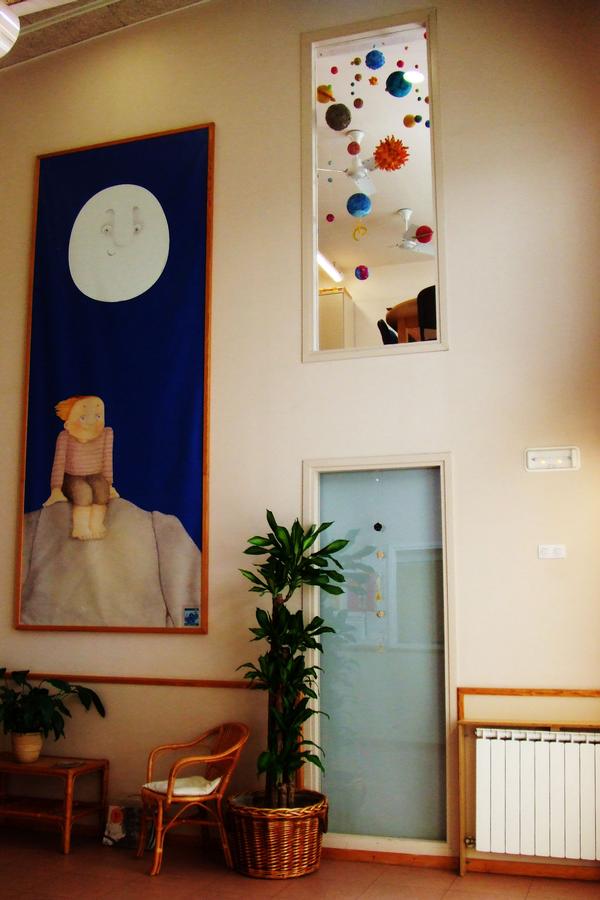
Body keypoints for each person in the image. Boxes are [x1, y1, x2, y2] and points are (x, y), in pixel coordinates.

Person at [43, 395, 119, 540]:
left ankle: (96, 524)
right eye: (83, 418)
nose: (91, 423)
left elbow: (107, 460)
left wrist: (109, 483)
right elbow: (59, 463)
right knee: (83, 492)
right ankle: (81, 526)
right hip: (72, 477)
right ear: (68, 424)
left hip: (95, 475)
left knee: (101, 490)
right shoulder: (65, 437)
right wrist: (56, 488)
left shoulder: (106, 434)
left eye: (98, 416)